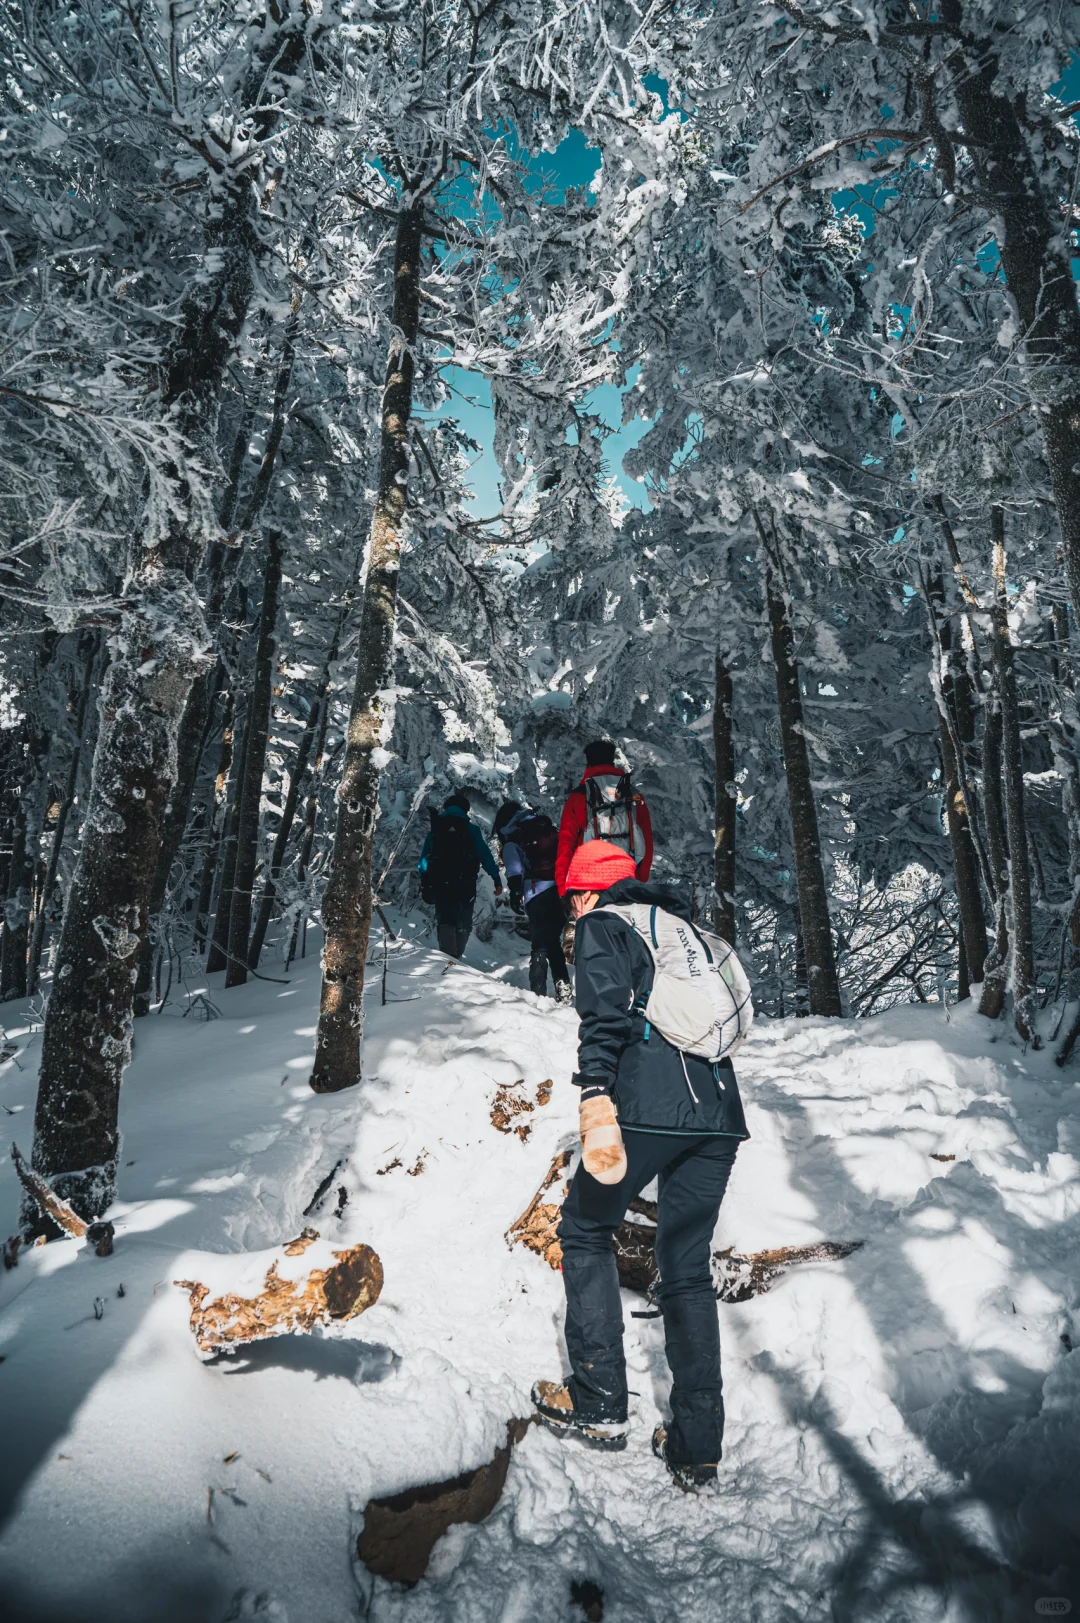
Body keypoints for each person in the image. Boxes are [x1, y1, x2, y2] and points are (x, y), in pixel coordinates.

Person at [531, 840, 749, 1491]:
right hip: (718, 1113)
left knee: (584, 1229)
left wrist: (595, 1093)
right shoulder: (682, 931)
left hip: (648, 1105)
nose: (573, 910)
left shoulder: (606, 923)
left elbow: (603, 1013)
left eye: (573, 898)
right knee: (686, 1266)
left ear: (588, 890)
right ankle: (696, 1444)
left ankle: (598, 1398)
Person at [493, 800, 573, 1005]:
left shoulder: (513, 838)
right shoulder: (544, 828)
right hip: (561, 891)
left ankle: (537, 994)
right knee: (552, 941)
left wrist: (515, 895)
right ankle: (563, 986)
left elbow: (514, 870)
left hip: (536, 892)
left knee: (539, 943)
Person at [555, 739, 654, 896]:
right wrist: (640, 878)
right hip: (627, 877)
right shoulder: (633, 794)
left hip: (590, 882)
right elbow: (646, 836)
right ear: (612, 762)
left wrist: (563, 888)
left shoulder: (578, 797)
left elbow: (566, 844)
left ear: (588, 764)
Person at [418, 791, 502, 958]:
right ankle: (455, 958)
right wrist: (496, 879)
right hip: (466, 883)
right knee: (463, 921)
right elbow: (485, 856)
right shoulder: (472, 830)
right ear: (465, 810)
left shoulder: (436, 829)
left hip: (441, 883)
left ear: (446, 808)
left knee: (445, 920)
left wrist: (425, 883)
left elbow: (424, 861)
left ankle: (448, 960)